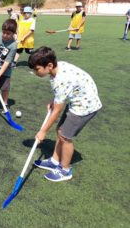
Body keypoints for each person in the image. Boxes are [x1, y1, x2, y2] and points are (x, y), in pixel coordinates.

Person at [28, 46, 102, 182]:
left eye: (37, 69)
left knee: (64, 136)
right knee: (60, 131)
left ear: (49, 65)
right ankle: (54, 161)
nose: (35, 72)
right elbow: (65, 91)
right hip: (78, 100)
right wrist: (55, 100)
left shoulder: (61, 80)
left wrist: (42, 131)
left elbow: (57, 110)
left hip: (85, 106)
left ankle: (65, 170)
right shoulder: (58, 67)